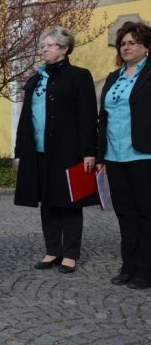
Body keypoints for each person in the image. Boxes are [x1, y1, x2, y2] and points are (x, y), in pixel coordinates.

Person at [13, 26, 98, 274]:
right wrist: (20, 152)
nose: (44, 49)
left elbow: (87, 116)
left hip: (68, 150)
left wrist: (89, 151)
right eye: (43, 45)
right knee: (47, 202)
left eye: (49, 45)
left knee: (70, 202)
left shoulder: (79, 76)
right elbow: (25, 118)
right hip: (38, 151)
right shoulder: (36, 78)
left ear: (64, 48)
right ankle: (52, 250)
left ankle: (70, 253)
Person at [97, 21, 151, 290]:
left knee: (146, 214)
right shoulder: (113, 77)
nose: (126, 47)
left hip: (144, 155)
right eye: (123, 43)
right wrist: (100, 155)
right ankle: (128, 266)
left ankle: (146, 269)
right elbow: (103, 119)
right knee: (125, 214)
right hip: (115, 156)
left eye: (133, 42)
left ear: (146, 47)